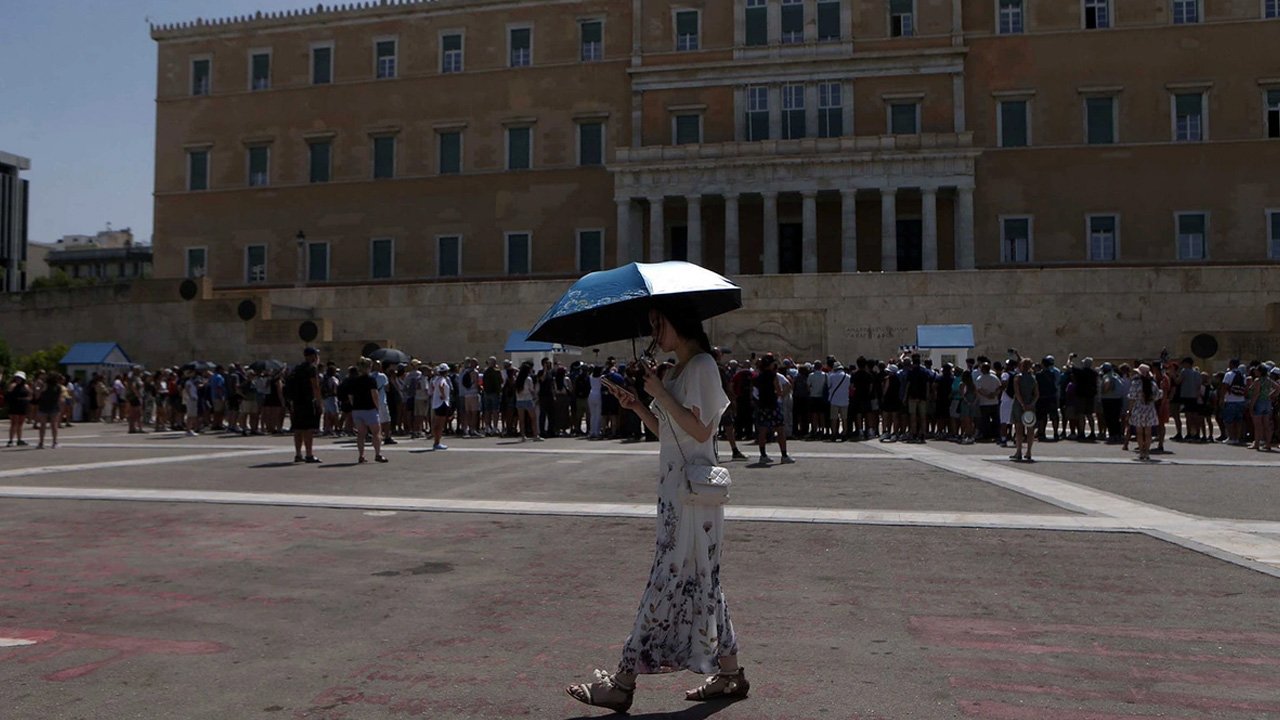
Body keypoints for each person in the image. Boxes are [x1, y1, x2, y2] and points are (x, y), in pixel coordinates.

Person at [567, 307, 745, 712]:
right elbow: (671, 433)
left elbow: (702, 431)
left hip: (691, 496)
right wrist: (637, 406)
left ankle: (623, 681)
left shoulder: (701, 366)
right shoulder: (680, 370)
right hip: (677, 492)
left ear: (677, 322)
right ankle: (732, 674)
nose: (653, 334)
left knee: (666, 581)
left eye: (657, 324)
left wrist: (660, 393)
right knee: (704, 581)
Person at [753, 354, 793, 464]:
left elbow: (755, 393)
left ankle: (763, 455)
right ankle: (784, 455)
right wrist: (778, 394)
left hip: (762, 405)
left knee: (762, 431)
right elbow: (779, 391)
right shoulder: (773, 376)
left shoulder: (758, 377)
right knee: (780, 430)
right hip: (773, 405)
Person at [346, 358, 387, 464]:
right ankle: (377, 454)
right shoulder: (370, 380)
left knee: (361, 434)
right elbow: (374, 394)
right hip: (370, 409)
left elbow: (350, 396)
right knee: (376, 433)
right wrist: (377, 406)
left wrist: (354, 405)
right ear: (369, 367)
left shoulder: (353, 380)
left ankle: (361, 455)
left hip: (357, 409)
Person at [290, 347, 323, 463]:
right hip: (308, 401)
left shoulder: (297, 368)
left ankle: (298, 454)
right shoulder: (311, 369)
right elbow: (315, 386)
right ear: (312, 356)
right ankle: (309, 454)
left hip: (296, 401)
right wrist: (319, 402)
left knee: (298, 429)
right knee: (308, 429)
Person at [1127, 364, 1161, 461]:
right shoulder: (1153, 384)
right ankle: (1147, 452)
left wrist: (1129, 410)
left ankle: (1141, 452)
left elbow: (1132, 398)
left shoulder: (1136, 384)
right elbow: (1157, 396)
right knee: (1148, 433)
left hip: (1138, 409)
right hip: (1149, 409)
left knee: (1139, 433)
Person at [1010, 358, 1039, 462]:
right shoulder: (1033, 378)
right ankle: (1029, 452)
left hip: (1019, 404)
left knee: (1019, 428)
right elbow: (1036, 394)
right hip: (1030, 404)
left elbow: (1017, 392)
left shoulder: (1018, 377)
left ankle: (1019, 451)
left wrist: (1022, 404)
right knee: (1030, 428)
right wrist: (1031, 404)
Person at [1247, 365, 1276, 452]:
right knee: (1266, 424)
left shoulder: (1257, 381)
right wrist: (1270, 395)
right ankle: (1268, 444)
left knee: (1258, 425)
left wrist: (1251, 405)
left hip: (1259, 402)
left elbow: (1256, 394)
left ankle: (1257, 444)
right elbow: (1278, 388)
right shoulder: (1268, 380)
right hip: (1267, 402)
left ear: (1260, 372)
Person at [429, 362, 453, 450]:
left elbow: (433, 386)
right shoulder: (442, 379)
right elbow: (441, 386)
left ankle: (436, 441)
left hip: (436, 403)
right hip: (442, 403)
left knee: (436, 423)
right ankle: (437, 442)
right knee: (440, 424)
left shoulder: (435, 379)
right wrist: (443, 395)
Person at [514, 361, 540, 442]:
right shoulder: (528, 379)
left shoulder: (518, 378)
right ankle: (535, 435)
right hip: (528, 399)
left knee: (521, 420)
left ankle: (523, 436)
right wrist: (535, 396)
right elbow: (531, 390)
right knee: (533, 418)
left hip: (519, 400)